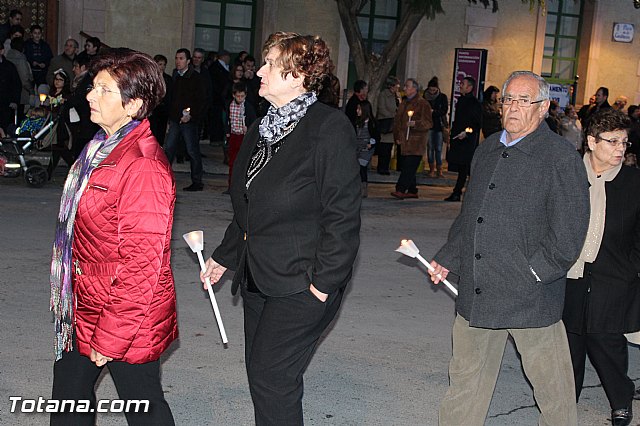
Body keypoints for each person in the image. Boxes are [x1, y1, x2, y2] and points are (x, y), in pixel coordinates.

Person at [201, 32, 361, 425]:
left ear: (298, 74)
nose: (259, 70)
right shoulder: (262, 128)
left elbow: (343, 216)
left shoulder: (329, 128)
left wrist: (323, 284)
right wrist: (225, 257)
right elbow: (249, 206)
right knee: (262, 375)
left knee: (273, 377)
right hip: (258, 277)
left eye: (270, 63)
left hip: (300, 282)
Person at [429, 71, 590, 426]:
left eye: (523, 100)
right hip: (479, 288)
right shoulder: (487, 149)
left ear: (544, 107)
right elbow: (471, 214)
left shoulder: (560, 157)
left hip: (529, 296)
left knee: (554, 393)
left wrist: (535, 272)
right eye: (508, 100)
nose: (513, 108)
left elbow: (570, 231)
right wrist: (448, 258)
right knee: (465, 383)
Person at [49, 48, 177, 426]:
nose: (90, 95)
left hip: (121, 314)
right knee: (69, 401)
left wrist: (111, 335)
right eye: (93, 87)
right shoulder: (99, 149)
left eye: (104, 90)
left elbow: (143, 263)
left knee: (144, 407)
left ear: (134, 104)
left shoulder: (143, 165)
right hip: (83, 301)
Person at [562, 109, 640, 426]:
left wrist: (631, 267)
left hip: (613, 274)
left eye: (625, 142)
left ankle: (621, 400)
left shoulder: (634, 182)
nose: (621, 149)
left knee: (607, 342)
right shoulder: (567, 175)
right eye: (613, 141)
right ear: (592, 142)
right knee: (570, 343)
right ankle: (566, 400)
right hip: (568, 274)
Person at [163, 48, 207, 191]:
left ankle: (197, 181)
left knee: (192, 150)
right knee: (169, 148)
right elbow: (172, 98)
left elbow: (200, 100)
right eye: (176, 58)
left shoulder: (196, 78)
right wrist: (171, 117)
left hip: (189, 120)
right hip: (176, 119)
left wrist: (191, 115)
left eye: (181, 58)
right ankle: (163, 178)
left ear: (188, 61)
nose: (178, 61)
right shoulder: (176, 75)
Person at [391, 78, 433, 199]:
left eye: (407, 86)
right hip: (404, 141)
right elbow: (398, 121)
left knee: (409, 166)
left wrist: (416, 124)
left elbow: (428, 123)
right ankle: (412, 189)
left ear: (414, 88)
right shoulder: (404, 103)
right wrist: (397, 136)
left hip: (416, 142)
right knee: (407, 166)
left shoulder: (423, 103)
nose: (404, 88)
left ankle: (400, 188)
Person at [444, 76, 482, 202]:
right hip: (458, 138)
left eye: (463, 84)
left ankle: (458, 192)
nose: (460, 85)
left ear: (470, 87)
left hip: (466, 140)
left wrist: (467, 132)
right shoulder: (461, 100)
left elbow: (476, 123)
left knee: (464, 167)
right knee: (460, 166)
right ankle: (458, 191)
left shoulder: (474, 103)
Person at [224, 81, 256, 192]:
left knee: (244, 163)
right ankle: (231, 186)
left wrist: (249, 129)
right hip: (234, 136)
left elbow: (253, 121)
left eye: (242, 96)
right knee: (232, 162)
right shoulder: (230, 105)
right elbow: (227, 120)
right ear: (233, 95)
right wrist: (227, 132)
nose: (240, 98)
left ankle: (242, 187)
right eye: (238, 96)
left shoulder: (248, 107)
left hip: (244, 137)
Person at [423, 76, 449, 177]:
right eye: (430, 89)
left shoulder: (442, 97)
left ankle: (439, 169)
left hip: (439, 125)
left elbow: (444, 110)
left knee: (438, 148)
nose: (432, 91)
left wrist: (434, 112)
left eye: (434, 89)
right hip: (428, 125)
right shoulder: (425, 97)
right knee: (430, 148)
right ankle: (431, 169)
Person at [354, 99, 380, 197]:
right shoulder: (357, 122)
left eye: (359, 109)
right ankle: (358, 188)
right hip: (358, 147)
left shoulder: (371, 123)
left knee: (362, 166)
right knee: (357, 167)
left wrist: (371, 143)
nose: (357, 111)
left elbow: (376, 135)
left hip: (366, 149)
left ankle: (363, 189)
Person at [376, 76, 400, 175]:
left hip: (393, 124)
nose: (398, 88)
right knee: (384, 148)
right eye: (396, 86)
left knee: (389, 147)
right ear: (391, 86)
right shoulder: (383, 95)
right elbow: (381, 108)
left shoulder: (396, 96)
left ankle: (386, 167)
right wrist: (392, 115)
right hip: (386, 123)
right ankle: (381, 167)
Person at [149, 54, 172, 146]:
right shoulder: (151, 78)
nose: (162, 67)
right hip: (154, 109)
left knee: (161, 132)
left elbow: (170, 94)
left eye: (164, 65)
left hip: (164, 109)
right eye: (160, 64)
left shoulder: (168, 79)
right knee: (152, 131)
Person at [0, 42, 21, 132]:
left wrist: (14, 100)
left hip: (6, 103)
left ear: (2, 51)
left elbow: (16, 84)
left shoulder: (9, 67)